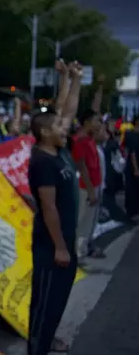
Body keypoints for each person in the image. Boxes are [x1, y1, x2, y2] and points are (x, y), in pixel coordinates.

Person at [27, 108, 78, 355]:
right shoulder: (42, 162)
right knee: (44, 303)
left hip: (65, 242)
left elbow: (67, 111)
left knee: (57, 301)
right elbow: (49, 208)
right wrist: (59, 247)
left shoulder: (57, 153)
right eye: (59, 125)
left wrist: (71, 79)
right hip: (51, 247)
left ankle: (46, 345)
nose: (65, 128)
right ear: (45, 132)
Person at [72, 108, 104, 261]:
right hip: (86, 187)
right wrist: (91, 190)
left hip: (95, 185)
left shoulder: (89, 138)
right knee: (82, 222)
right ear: (86, 122)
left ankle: (83, 251)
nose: (99, 124)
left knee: (89, 222)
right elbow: (82, 167)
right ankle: (77, 255)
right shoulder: (79, 141)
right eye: (96, 121)